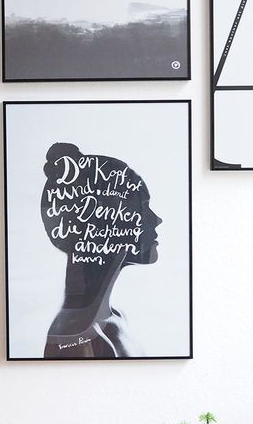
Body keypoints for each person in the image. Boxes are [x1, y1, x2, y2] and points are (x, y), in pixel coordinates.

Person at [40, 141, 162, 358]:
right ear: (106, 224)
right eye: (142, 207)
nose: (156, 220)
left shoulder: (112, 319)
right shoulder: (77, 337)